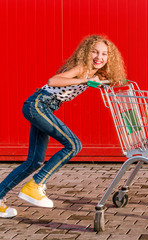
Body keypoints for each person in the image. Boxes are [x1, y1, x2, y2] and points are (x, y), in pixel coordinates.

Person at [0, 35, 126, 218]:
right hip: (38, 105)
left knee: (34, 161)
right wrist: (84, 80)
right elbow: (54, 81)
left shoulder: (94, 73)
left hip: (42, 107)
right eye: (95, 52)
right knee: (74, 144)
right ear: (86, 52)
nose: (99, 56)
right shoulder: (82, 69)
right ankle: (35, 185)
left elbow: (108, 81)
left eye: (104, 54)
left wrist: (110, 82)